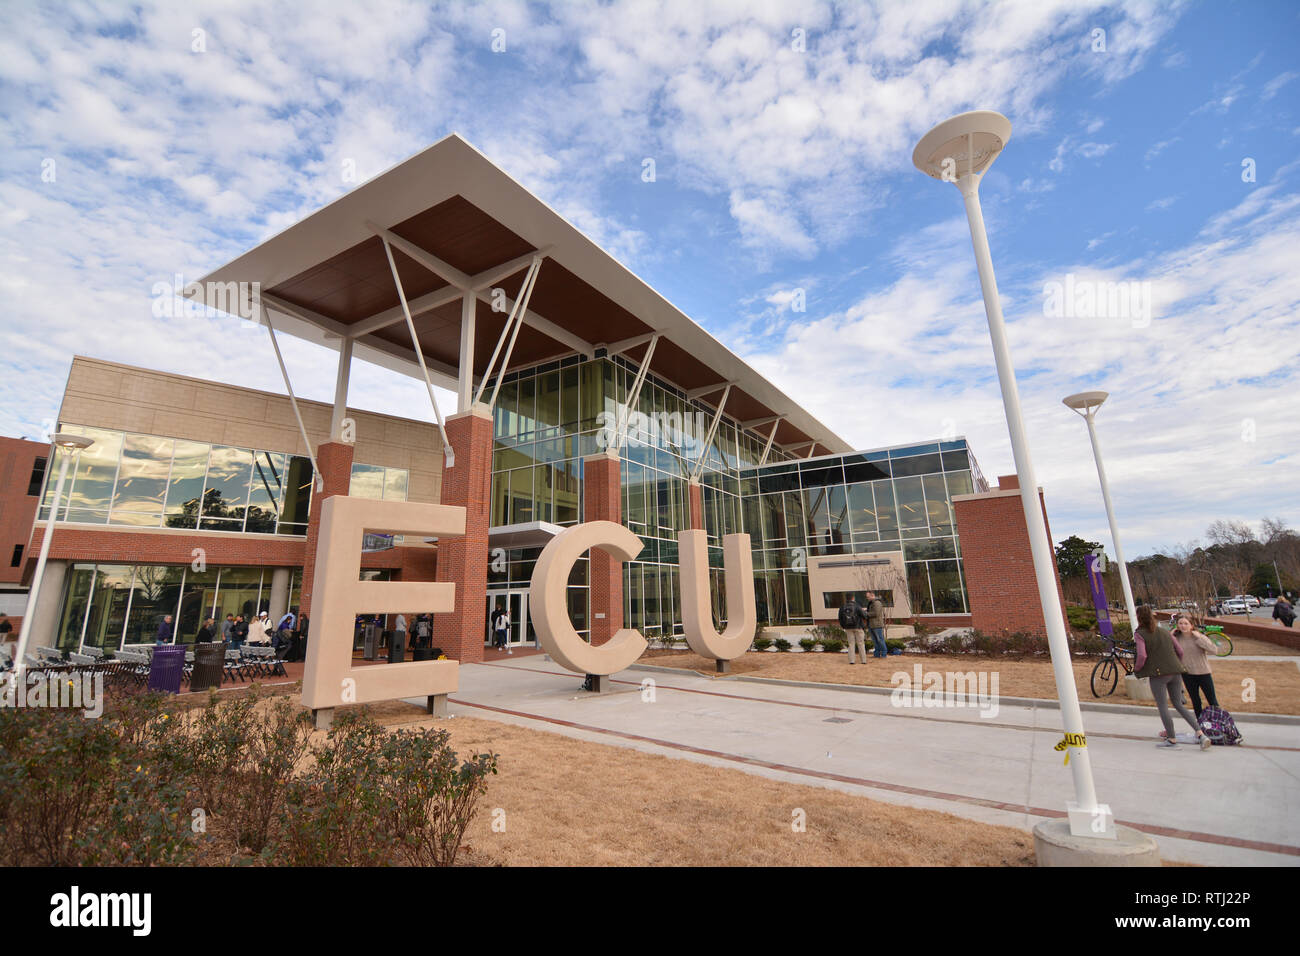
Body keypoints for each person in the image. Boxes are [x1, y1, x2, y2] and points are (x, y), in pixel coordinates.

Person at [1133, 605, 1210, 750]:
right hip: (1175, 671)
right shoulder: (1165, 632)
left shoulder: (1140, 634)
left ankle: (1172, 739)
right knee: (1179, 705)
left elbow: (1142, 655)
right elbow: (1179, 651)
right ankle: (1200, 734)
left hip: (1158, 674)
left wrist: (1136, 669)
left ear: (1138, 617)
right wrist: (1176, 664)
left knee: (1163, 706)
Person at [1172, 614, 1219, 722]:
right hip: (1187, 674)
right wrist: (1171, 635)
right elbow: (1167, 650)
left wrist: (1199, 637)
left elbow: (1214, 650)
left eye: (1186, 623)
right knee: (1196, 702)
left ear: (1191, 625)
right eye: (1180, 623)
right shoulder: (1176, 639)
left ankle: (1219, 725)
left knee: (1212, 700)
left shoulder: (1198, 636)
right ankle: (1200, 726)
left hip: (1203, 673)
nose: (1183, 626)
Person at [838, 595, 867, 664]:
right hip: (858, 627)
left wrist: (844, 626)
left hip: (848, 628)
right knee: (861, 644)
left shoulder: (842, 607)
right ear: (853, 598)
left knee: (851, 644)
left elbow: (840, 618)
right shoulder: (857, 606)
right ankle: (863, 660)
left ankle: (852, 661)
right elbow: (864, 616)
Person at [864, 591, 888, 658]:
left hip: (877, 625)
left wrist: (866, 613)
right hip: (871, 624)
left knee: (880, 640)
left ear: (872, 595)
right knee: (875, 641)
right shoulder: (871, 603)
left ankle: (884, 654)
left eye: (868, 597)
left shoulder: (877, 603)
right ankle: (876, 654)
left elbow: (876, 613)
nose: (867, 598)